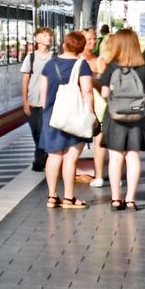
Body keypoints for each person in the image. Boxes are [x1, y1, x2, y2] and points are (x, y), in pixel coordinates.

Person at [39, 31, 95, 209]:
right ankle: (69, 198)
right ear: (81, 47)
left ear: (64, 44)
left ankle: (52, 196)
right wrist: (91, 114)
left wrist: (47, 110)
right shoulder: (82, 64)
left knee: (54, 156)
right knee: (70, 158)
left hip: (52, 116)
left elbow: (43, 94)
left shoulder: (50, 64)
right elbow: (87, 91)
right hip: (75, 117)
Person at [98, 29, 145, 210]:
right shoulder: (143, 66)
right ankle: (130, 199)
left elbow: (104, 93)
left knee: (115, 158)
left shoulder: (111, 66)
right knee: (133, 157)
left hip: (114, 117)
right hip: (136, 117)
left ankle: (115, 199)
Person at [20, 27, 55, 172]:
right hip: (33, 100)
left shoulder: (55, 57)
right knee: (35, 132)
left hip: (49, 101)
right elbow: (25, 79)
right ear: (37, 39)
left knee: (42, 130)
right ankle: (43, 153)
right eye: (45, 35)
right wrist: (25, 100)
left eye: (49, 36)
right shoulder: (31, 58)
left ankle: (39, 160)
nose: (48, 38)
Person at [81, 28, 106, 188]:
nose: (92, 42)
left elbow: (104, 84)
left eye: (94, 39)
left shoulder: (99, 60)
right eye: (88, 39)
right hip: (80, 105)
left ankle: (99, 175)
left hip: (98, 105)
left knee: (99, 141)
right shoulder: (76, 59)